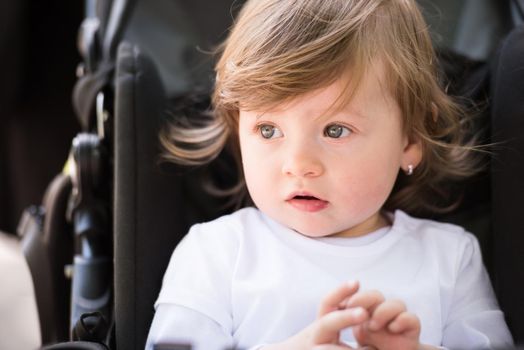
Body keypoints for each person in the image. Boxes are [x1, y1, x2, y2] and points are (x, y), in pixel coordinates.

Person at [146, 0, 514, 349]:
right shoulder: (216, 254)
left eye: (335, 130)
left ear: (411, 138)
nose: (298, 163)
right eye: (269, 130)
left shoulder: (450, 257)